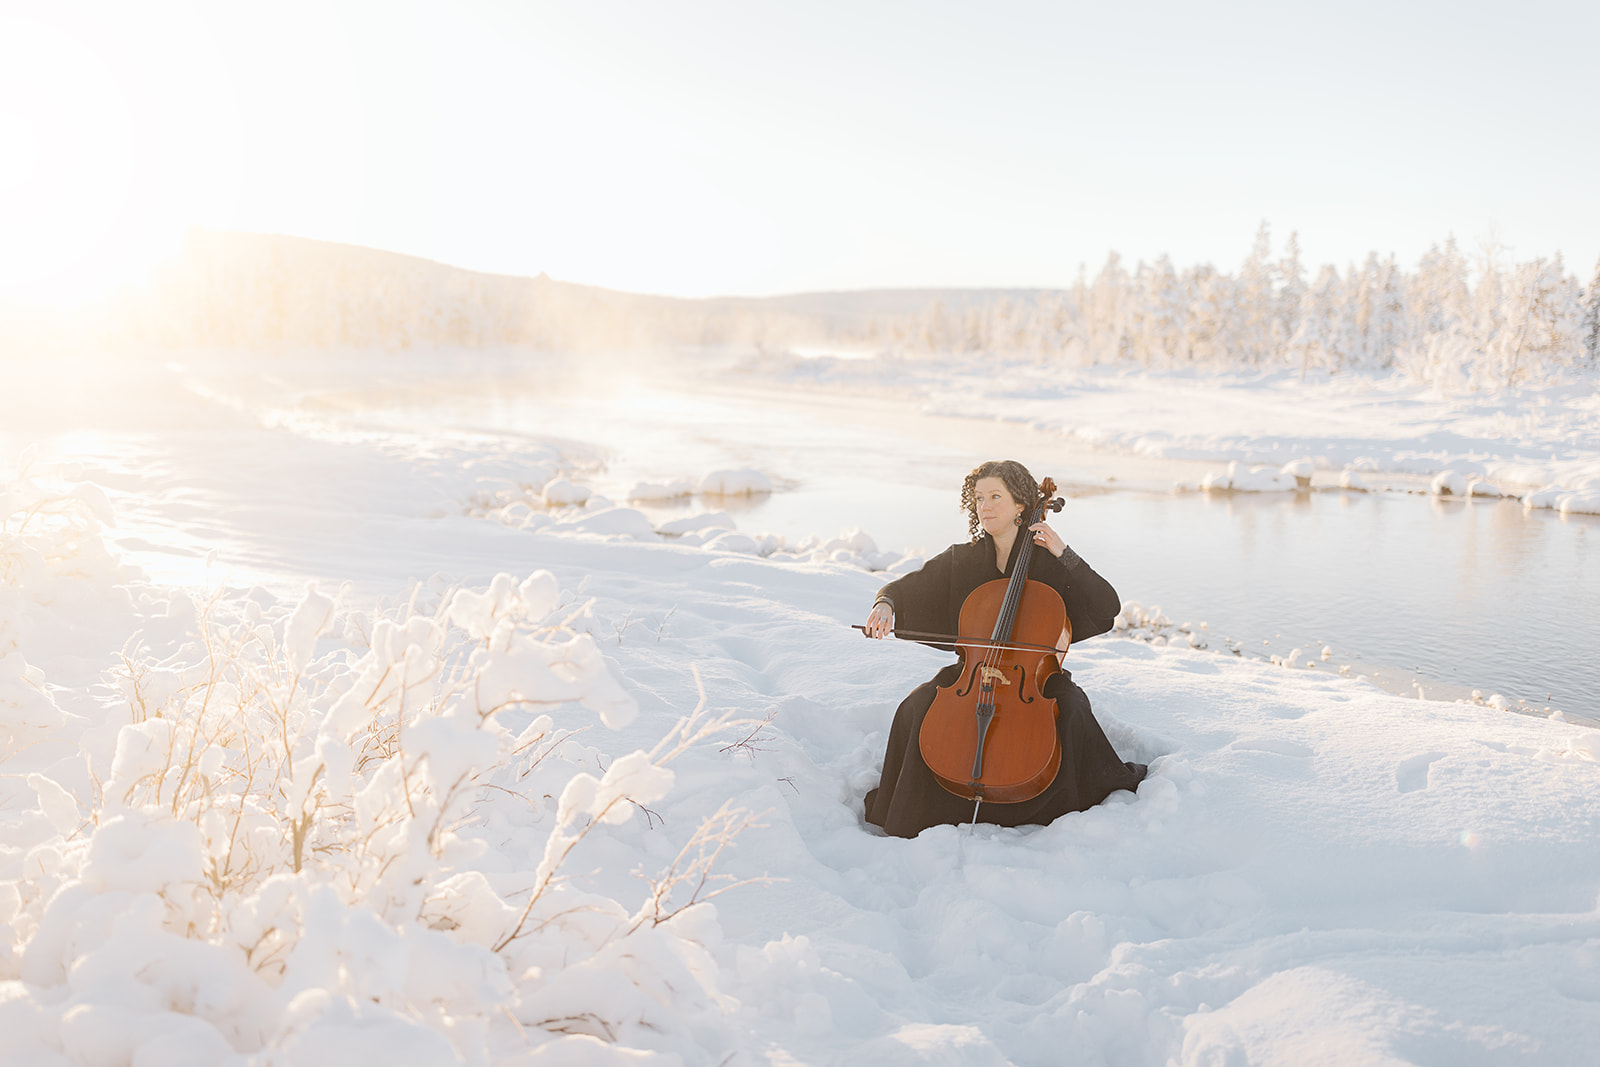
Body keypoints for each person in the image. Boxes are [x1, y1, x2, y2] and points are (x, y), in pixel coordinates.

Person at [862, 459, 1145, 838]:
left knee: (1074, 708)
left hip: (1035, 678)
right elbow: (908, 587)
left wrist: (1066, 554)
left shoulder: (1050, 561)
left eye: (996, 496)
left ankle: (1056, 804)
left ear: (1021, 506)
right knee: (916, 706)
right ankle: (916, 805)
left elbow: (1107, 605)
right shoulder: (962, 558)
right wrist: (886, 604)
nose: (985, 506)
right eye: (979, 497)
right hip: (974, 671)